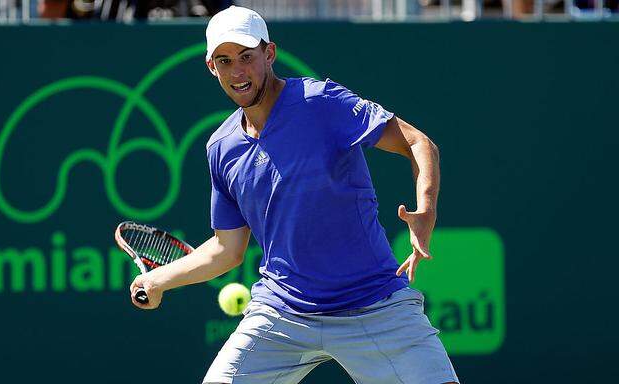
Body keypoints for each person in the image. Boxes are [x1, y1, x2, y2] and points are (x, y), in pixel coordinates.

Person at [130, 5, 460, 384]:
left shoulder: (320, 102)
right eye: (224, 60)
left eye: (246, 57)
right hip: (282, 312)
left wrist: (426, 209)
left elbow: (418, 143)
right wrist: (158, 280)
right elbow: (227, 250)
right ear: (211, 67)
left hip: (373, 303)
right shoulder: (221, 148)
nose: (237, 72)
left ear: (269, 54)